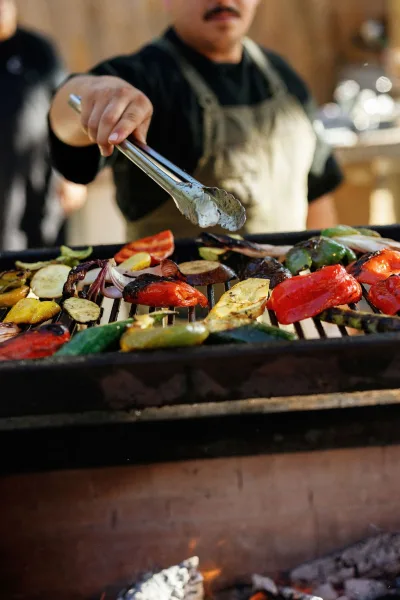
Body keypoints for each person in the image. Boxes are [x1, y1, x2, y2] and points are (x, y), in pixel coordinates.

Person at [49, 0, 343, 240]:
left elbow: (317, 195)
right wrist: (90, 94)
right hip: (177, 307)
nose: (224, 1)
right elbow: (66, 116)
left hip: (283, 304)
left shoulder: (283, 77)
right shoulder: (144, 77)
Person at [0, 0, 87, 251]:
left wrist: (75, 176)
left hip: (39, 182)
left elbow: (69, 108)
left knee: (46, 259)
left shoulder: (37, 49)